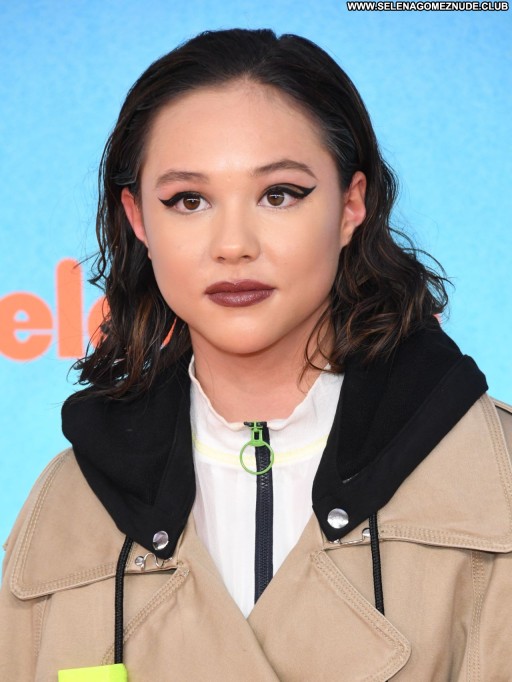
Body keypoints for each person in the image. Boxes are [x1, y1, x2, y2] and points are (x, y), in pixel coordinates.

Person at [1, 27, 511, 682]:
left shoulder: (496, 474)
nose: (233, 244)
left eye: (279, 194)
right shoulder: (64, 506)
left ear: (351, 204)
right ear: (138, 219)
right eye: (189, 200)